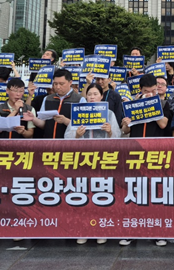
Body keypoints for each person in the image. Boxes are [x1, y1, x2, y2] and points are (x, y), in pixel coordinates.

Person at [120, 73, 172, 247]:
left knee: (156, 193)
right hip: (135, 152)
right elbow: (126, 130)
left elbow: (164, 124)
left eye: (153, 91)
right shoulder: (132, 104)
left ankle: (159, 232)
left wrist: (152, 105)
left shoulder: (164, 103)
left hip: (156, 153)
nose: (149, 94)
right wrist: (126, 122)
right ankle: (132, 231)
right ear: (140, 90)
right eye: (146, 91)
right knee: (135, 192)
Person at [65, 82, 120, 245]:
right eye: (89, 95)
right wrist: (77, 135)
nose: (92, 97)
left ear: (101, 97)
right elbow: (66, 138)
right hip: (83, 160)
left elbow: (118, 139)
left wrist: (110, 131)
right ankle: (84, 229)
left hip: (103, 160)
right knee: (83, 194)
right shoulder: (78, 112)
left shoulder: (109, 114)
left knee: (101, 194)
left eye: (95, 94)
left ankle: (101, 229)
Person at [28, 69, 83, 138]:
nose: (58, 87)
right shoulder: (47, 99)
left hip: (68, 144)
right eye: (55, 84)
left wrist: (65, 121)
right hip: (49, 142)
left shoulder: (79, 99)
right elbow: (44, 124)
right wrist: (33, 119)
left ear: (70, 82)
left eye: (61, 84)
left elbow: (81, 126)